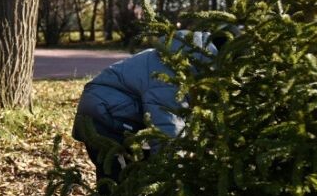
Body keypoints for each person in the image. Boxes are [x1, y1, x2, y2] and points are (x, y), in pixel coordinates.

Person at [72, 29, 221, 185]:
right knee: (120, 183)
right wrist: (173, 176)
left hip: (107, 111)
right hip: (105, 117)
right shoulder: (169, 75)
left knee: (125, 176)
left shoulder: (177, 55)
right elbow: (167, 128)